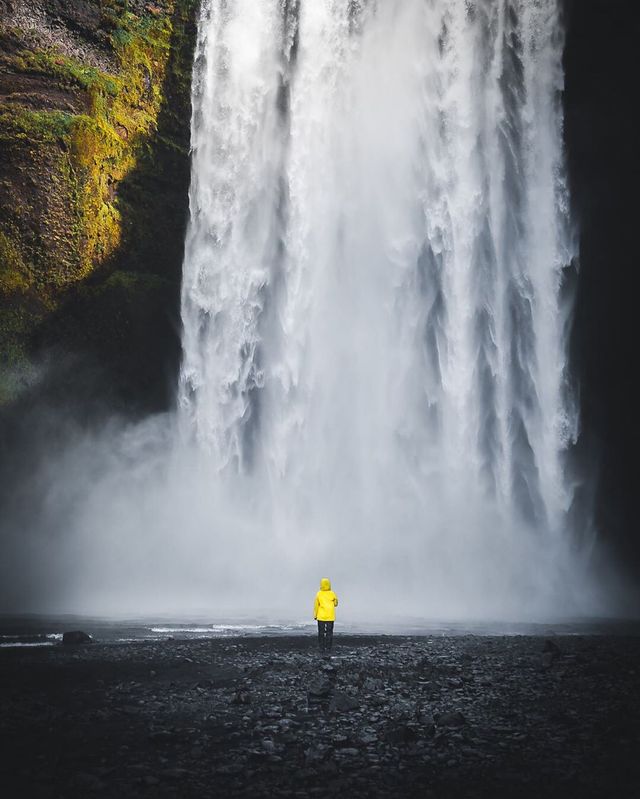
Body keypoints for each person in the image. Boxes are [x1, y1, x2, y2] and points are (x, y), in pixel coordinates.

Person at [313, 577, 338, 654]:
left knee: (321, 632)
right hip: (330, 616)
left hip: (321, 616)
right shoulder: (332, 593)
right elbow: (336, 604)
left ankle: (321, 647)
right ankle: (328, 647)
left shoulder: (319, 593)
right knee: (329, 632)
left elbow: (316, 605)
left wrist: (315, 615)